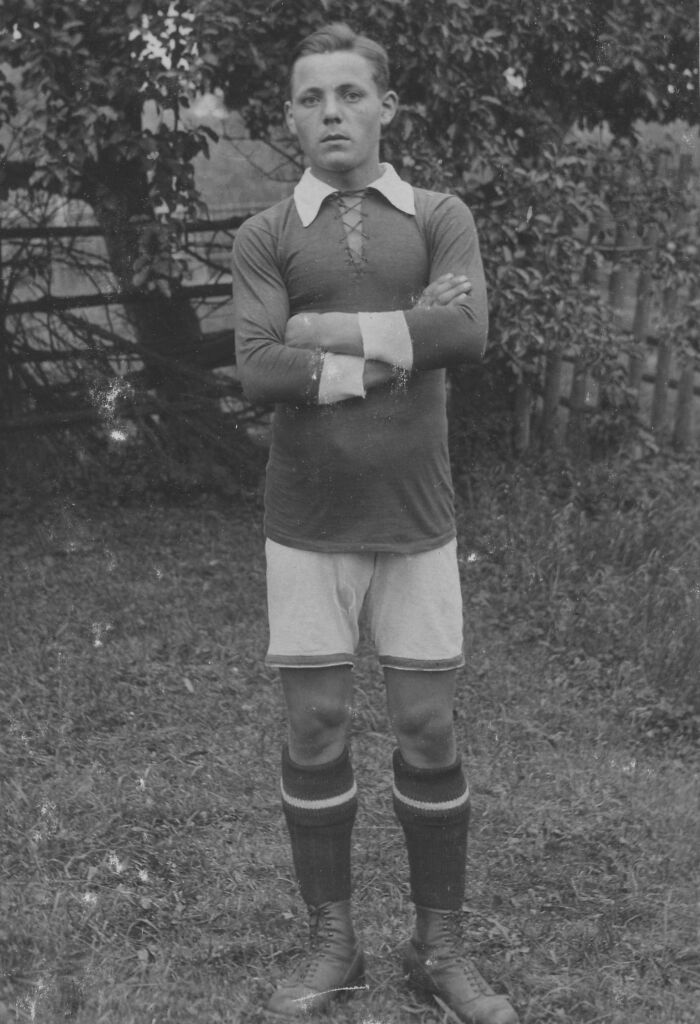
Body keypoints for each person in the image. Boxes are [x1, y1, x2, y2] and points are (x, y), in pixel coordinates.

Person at [232, 22, 519, 1024]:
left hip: (417, 515)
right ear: (290, 119)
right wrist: (397, 344)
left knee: (427, 726)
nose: (331, 114)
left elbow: (467, 329)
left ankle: (438, 945)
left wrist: (323, 332)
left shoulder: (438, 216)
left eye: (350, 95)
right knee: (312, 726)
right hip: (306, 518)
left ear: (385, 106)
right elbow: (257, 365)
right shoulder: (267, 236)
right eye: (312, 100)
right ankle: (333, 942)